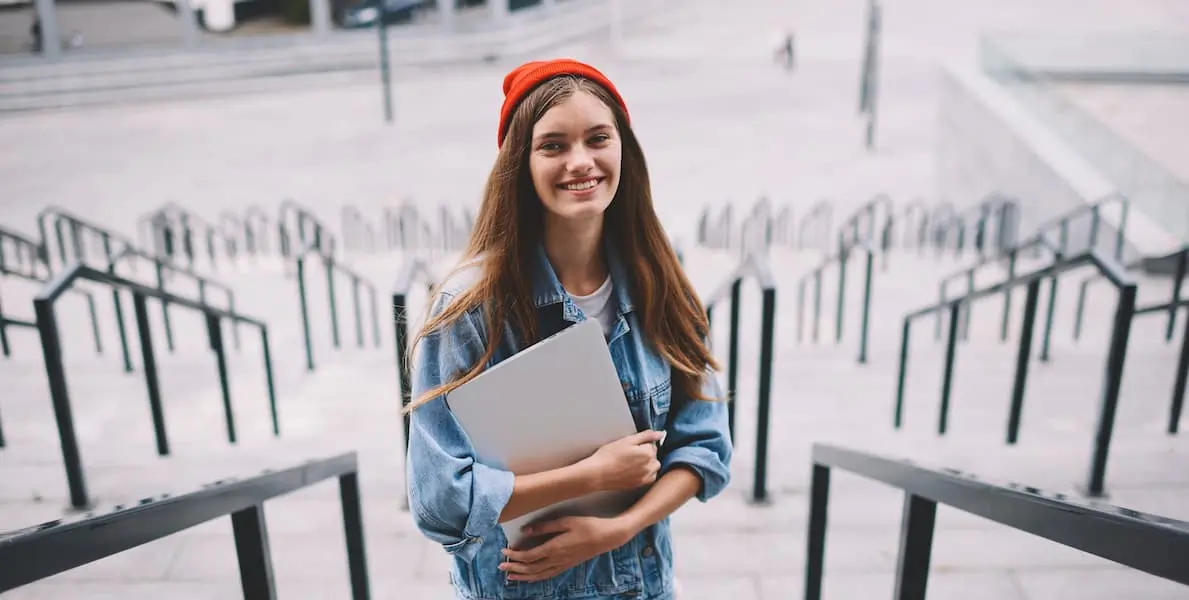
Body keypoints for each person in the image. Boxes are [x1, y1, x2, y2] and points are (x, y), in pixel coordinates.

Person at [404, 58, 732, 600]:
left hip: (643, 587)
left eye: (597, 138)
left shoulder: (660, 281)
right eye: (553, 145)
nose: (580, 161)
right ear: (520, 164)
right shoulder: (468, 308)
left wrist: (616, 528)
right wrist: (592, 476)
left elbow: (705, 447)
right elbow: (440, 502)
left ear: (622, 146)